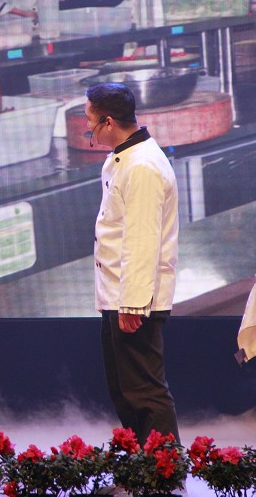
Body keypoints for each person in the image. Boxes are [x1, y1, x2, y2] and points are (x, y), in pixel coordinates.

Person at [85, 82, 180, 446]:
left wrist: (133, 304)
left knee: (145, 392)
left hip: (134, 302)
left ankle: (164, 470)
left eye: (90, 122)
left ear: (108, 122)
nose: (89, 129)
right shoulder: (123, 158)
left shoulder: (142, 166)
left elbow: (142, 240)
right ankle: (141, 466)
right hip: (117, 296)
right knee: (125, 392)